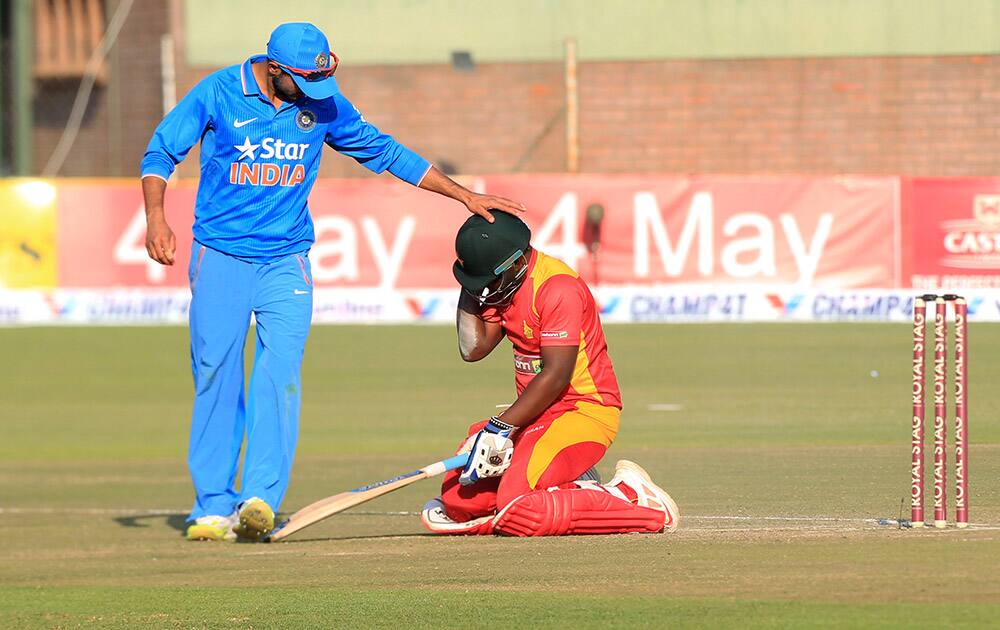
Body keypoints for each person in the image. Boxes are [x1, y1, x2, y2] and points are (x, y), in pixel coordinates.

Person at [140, 22, 524, 542]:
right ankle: (211, 505)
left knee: (280, 376)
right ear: (275, 69)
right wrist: (157, 218)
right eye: (307, 82)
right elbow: (160, 153)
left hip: (286, 261)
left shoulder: (321, 99)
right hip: (221, 256)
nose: (320, 95)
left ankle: (259, 500)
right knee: (216, 372)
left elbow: (383, 150)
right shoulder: (218, 92)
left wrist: (463, 195)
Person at [420, 212, 679, 536]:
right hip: (536, 414)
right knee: (461, 504)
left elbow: (556, 375)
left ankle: (637, 500)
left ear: (515, 263)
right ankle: (569, 484)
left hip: (584, 411)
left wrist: (499, 428)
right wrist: (470, 283)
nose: (485, 292)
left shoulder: (557, 288)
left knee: (518, 505)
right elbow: (473, 349)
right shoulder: (504, 285)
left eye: (488, 282)